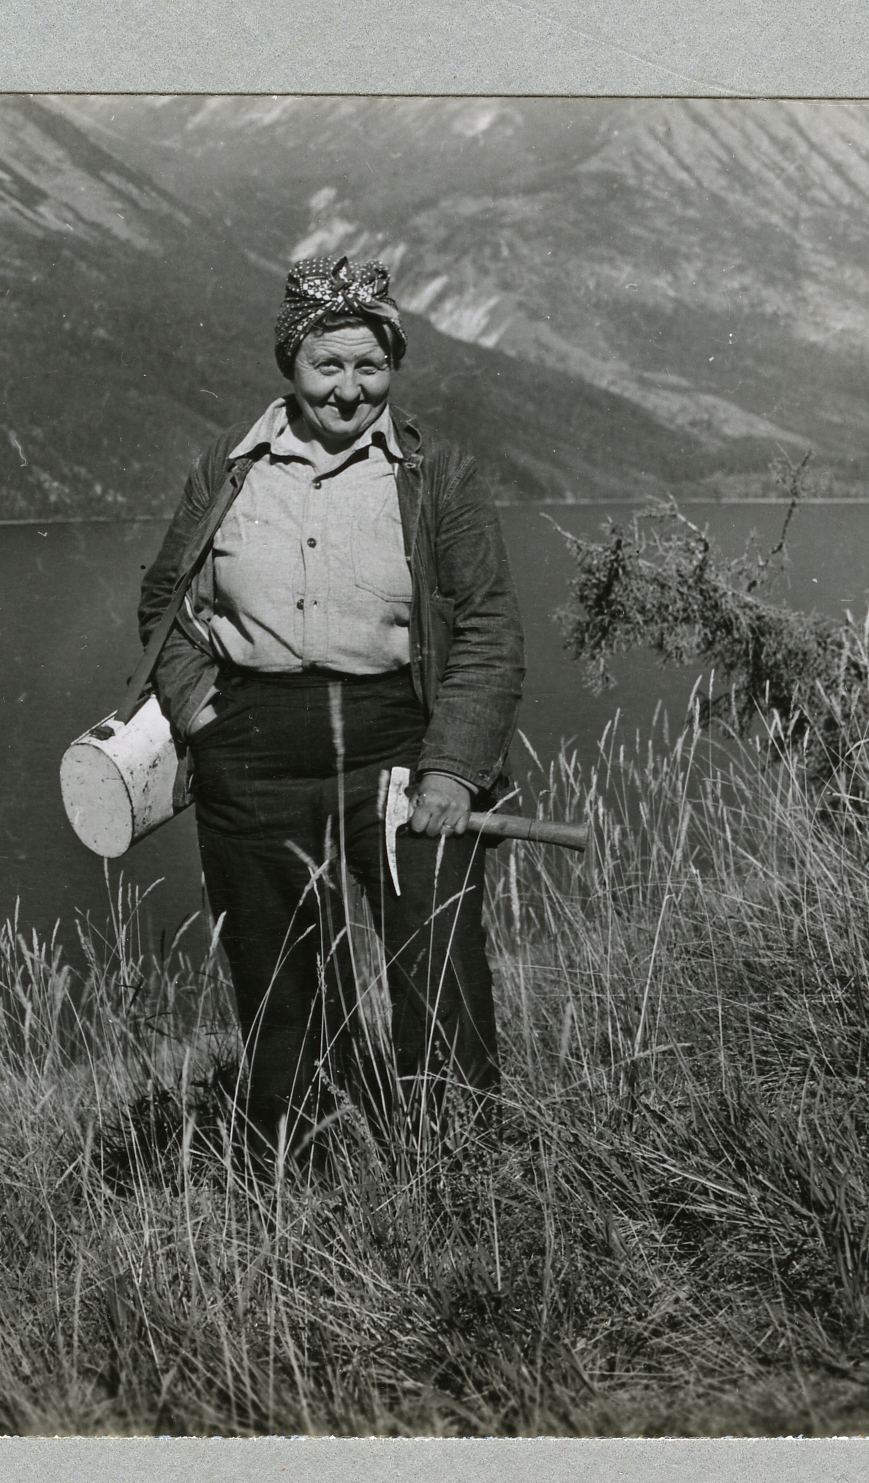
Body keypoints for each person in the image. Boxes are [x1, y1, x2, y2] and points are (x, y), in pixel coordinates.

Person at [136, 255, 526, 1153]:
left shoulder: (438, 476)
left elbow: (489, 627)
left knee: (438, 963)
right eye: (328, 365)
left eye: (370, 366)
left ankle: (458, 1163)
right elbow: (166, 601)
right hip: (251, 751)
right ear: (290, 362)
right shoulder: (229, 471)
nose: (350, 390)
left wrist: (452, 770)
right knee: (277, 981)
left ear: (392, 366)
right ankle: (299, 1167)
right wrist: (201, 714)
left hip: (398, 745)